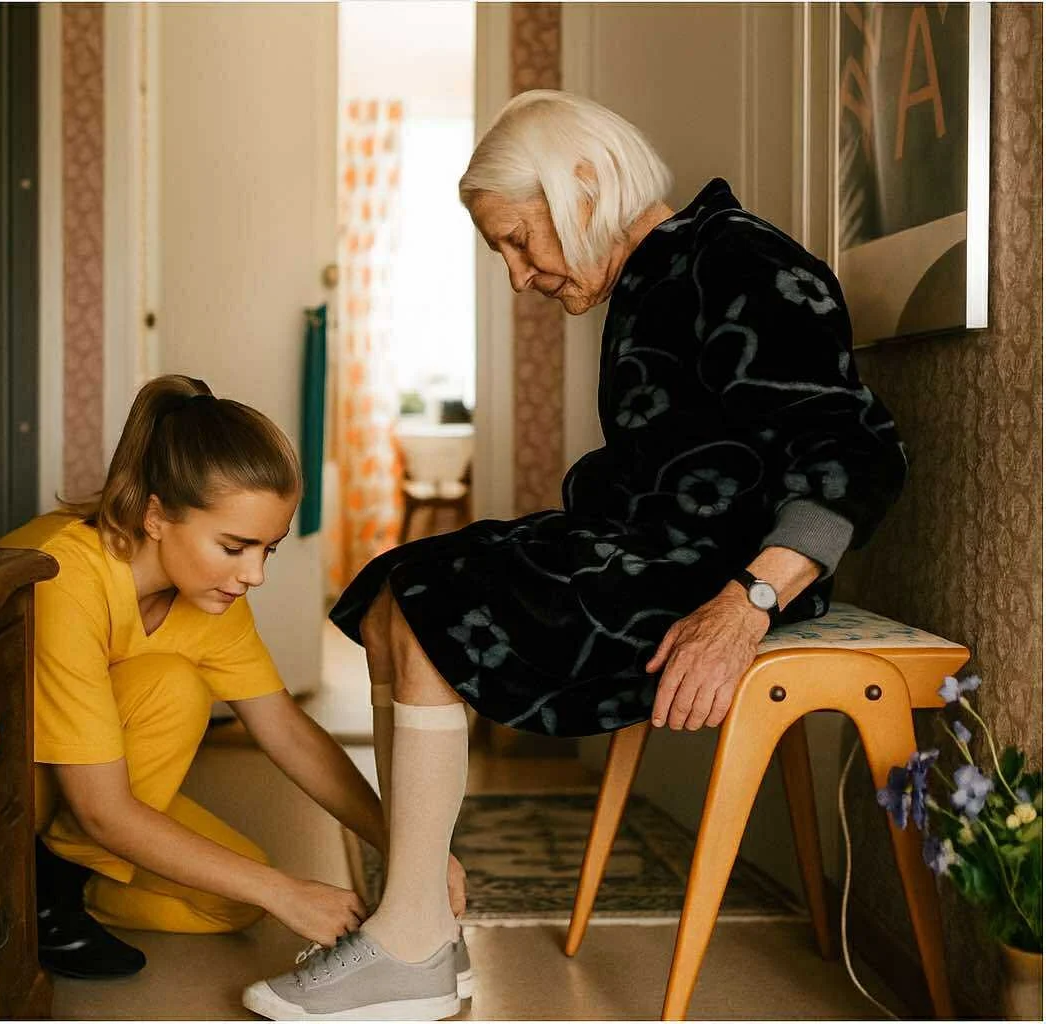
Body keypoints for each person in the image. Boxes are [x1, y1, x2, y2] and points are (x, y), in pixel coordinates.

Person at [242, 90, 906, 1020]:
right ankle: (418, 919)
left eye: (519, 240)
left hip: (721, 578)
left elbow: (854, 451)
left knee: (436, 605)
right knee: (396, 585)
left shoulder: (741, 260)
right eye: (503, 252)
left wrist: (746, 601)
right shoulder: (655, 278)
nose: (518, 276)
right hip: (646, 550)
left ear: (583, 184)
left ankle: (411, 945)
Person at [0, 373, 467, 981]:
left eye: (267, 550)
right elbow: (103, 810)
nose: (255, 575)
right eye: (235, 546)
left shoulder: (207, 594)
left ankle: (53, 889)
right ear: (156, 515)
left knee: (234, 899)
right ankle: (48, 902)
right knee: (174, 689)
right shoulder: (66, 578)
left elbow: (288, 733)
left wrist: (407, 848)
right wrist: (287, 893)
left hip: (77, 802)